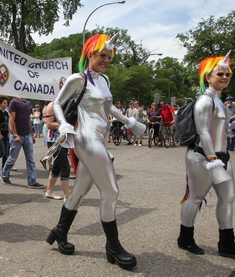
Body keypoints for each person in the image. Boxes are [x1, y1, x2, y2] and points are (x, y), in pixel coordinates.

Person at [47, 33, 146, 270]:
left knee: (80, 189)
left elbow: (108, 106)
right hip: (86, 138)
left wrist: (129, 122)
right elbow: (58, 103)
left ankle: (60, 231)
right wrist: (62, 124)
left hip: (101, 137)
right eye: (102, 55)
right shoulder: (78, 79)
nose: (105, 60)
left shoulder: (105, 80)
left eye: (109, 57)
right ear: (89, 53)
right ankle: (113, 247)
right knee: (111, 191)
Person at [178, 52, 235, 261]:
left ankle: (227, 244)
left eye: (227, 74)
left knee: (228, 198)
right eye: (220, 74)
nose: (225, 77)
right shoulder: (205, 101)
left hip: (222, 157)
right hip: (203, 158)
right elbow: (203, 132)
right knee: (196, 198)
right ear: (208, 76)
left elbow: (224, 133)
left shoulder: (219, 102)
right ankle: (185, 238)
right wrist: (212, 159)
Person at [0, 96, 44, 189]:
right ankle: (4, 175)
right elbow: (11, 119)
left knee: (31, 160)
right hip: (17, 136)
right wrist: (15, 134)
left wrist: (32, 134)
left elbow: (28, 120)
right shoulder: (14, 102)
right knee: (12, 158)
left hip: (27, 135)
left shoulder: (28, 104)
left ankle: (32, 182)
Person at [42, 102, 70, 200]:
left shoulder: (66, 104)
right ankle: (67, 196)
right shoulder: (51, 105)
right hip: (55, 141)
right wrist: (65, 125)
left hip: (64, 140)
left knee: (57, 168)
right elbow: (49, 124)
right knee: (65, 167)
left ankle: (49, 192)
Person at [0, 97, 10, 170]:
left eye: (6, 103)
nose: (6, 104)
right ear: (0, 104)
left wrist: (9, 133)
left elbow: (8, 123)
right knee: (2, 152)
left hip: (6, 135)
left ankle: (4, 170)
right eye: (4, 103)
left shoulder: (6, 113)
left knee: (6, 154)